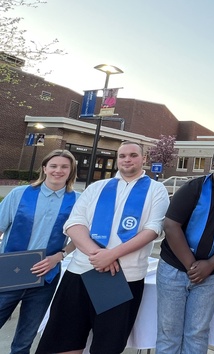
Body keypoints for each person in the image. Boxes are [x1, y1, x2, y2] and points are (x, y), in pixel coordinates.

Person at [36, 141, 169, 354]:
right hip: (80, 271)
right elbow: (73, 223)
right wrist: (97, 255)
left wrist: (112, 255)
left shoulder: (156, 190)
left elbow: (153, 229)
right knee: (63, 339)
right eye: (122, 155)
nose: (127, 159)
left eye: (133, 155)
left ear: (143, 159)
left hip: (121, 277)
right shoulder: (96, 187)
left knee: (107, 345)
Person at [156, 148, 214, 354]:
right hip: (174, 269)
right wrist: (192, 265)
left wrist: (210, 265)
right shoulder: (193, 188)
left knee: (197, 332)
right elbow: (171, 225)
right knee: (169, 331)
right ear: (213, 165)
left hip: (210, 276)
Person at [0, 150, 79, 354]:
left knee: (25, 340)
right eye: (53, 166)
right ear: (44, 168)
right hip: (9, 275)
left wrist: (60, 255)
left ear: (71, 172)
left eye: (64, 167)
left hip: (45, 278)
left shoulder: (78, 201)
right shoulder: (20, 194)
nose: (58, 170)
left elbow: (80, 239)